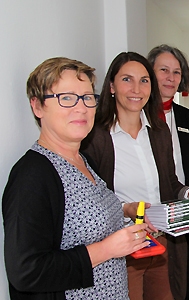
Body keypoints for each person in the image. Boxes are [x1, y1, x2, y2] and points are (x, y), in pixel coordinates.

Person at [2, 57, 150, 299]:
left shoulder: (84, 161)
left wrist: (127, 216)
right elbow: (26, 271)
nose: (81, 108)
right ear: (37, 106)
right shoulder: (32, 175)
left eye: (87, 97)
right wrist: (106, 249)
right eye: (66, 98)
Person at [81, 52, 189, 300]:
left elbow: (170, 184)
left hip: (160, 246)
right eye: (127, 79)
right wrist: (126, 209)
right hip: (122, 251)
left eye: (144, 80)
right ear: (112, 86)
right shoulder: (95, 138)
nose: (136, 88)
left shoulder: (159, 132)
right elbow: (90, 201)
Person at [146, 44, 189, 300]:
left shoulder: (187, 118)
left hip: (188, 217)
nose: (170, 77)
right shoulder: (136, 116)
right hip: (151, 219)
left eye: (176, 72)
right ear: (149, 74)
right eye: (163, 70)